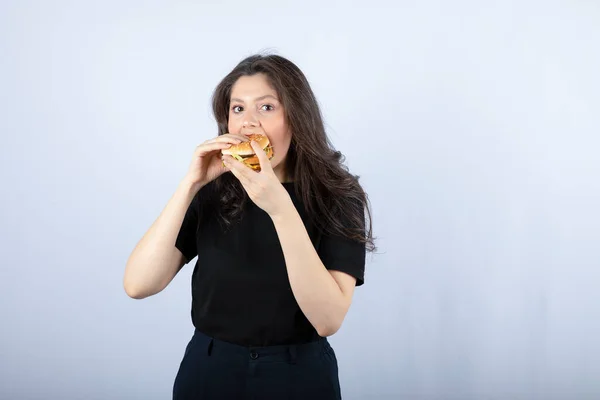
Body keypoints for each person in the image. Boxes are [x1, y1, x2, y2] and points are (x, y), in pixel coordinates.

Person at [123, 53, 375, 400]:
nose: (248, 123)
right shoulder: (215, 189)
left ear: (297, 117)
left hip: (298, 372)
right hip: (209, 367)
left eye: (267, 107)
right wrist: (190, 185)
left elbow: (328, 319)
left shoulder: (337, 195)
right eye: (238, 109)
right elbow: (138, 284)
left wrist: (280, 209)